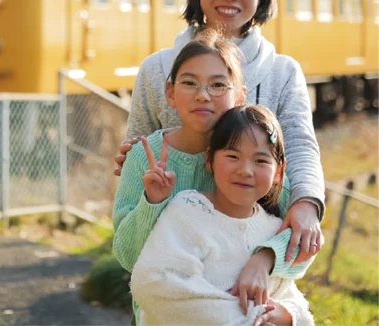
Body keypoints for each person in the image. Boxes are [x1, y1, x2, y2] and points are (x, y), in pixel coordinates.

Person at [114, 0, 325, 269]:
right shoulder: (157, 69)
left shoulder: (283, 72)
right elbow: (140, 146)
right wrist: (134, 162)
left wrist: (307, 203)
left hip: (252, 262)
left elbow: (299, 146)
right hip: (172, 260)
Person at [113, 31, 315, 326]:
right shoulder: (144, 158)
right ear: (170, 92)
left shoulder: (254, 165)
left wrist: (265, 259)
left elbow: (301, 241)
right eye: (189, 83)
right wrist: (152, 203)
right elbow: (128, 257)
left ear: (240, 95)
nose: (203, 95)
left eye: (218, 85)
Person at [130, 104, 314, 326]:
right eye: (233, 156)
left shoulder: (274, 231)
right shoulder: (189, 211)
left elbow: (293, 301)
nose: (245, 170)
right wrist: (248, 320)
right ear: (209, 160)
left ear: (278, 172)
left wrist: (287, 316)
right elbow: (155, 282)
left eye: (260, 160)